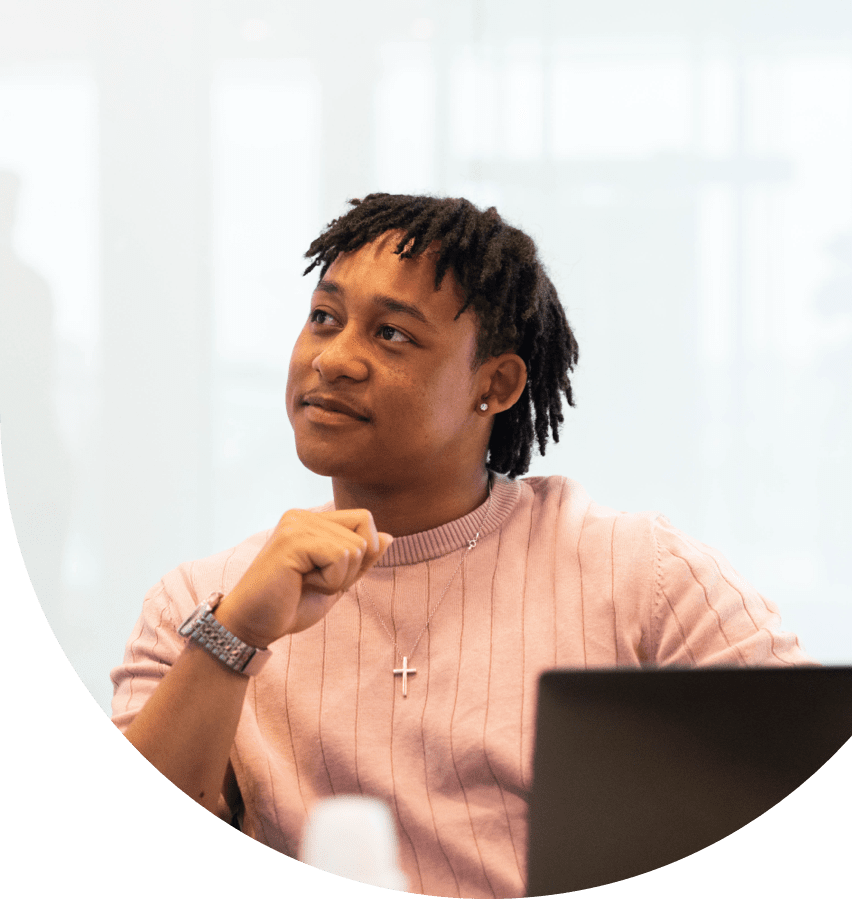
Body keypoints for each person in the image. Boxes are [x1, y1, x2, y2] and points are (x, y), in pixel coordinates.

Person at [111, 193, 812, 899]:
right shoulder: (200, 602)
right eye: (324, 318)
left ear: (495, 383)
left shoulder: (642, 574)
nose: (334, 360)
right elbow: (124, 853)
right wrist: (234, 635)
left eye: (392, 335)